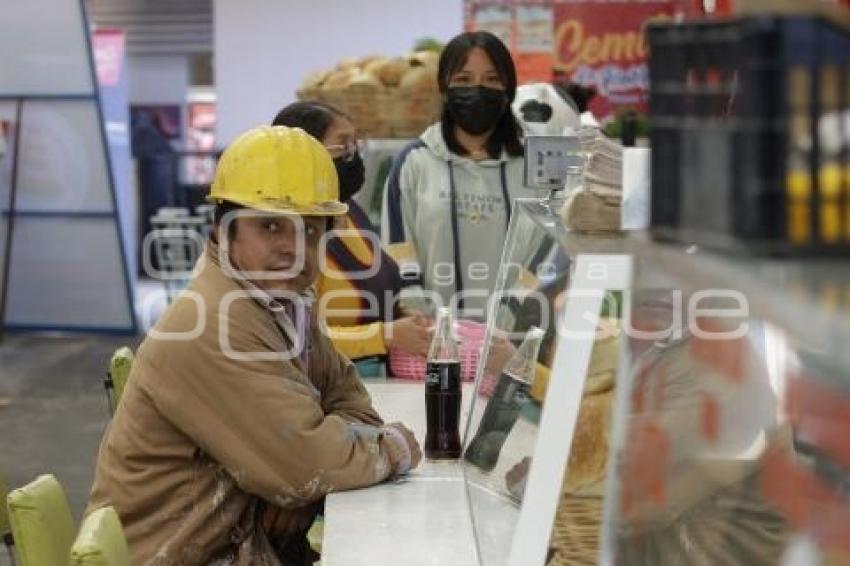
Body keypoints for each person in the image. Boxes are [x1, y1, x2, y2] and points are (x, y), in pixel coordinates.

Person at [87, 126, 422, 565]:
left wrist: (296, 479)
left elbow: (349, 406)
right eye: (270, 226)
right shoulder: (213, 321)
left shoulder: (284, 304)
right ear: (224, 229)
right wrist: (393, 446)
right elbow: (306, 464)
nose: (294, 248)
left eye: (310, 229)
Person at [381, 31, 549, 320]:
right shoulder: (415, 162)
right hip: (431, 342)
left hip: (512, 341)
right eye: (464, 80)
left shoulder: (538, 162)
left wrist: (512, 312)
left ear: (508, 90)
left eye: (491, 80)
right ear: (444, 88)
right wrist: (417, 313)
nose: (477, 90)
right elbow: (397, 246)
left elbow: (550, 247)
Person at [271, 102, 432, 364]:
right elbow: (291, 338)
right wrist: (385, 334)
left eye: (356, 144)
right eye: (343, 144)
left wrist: (401, 316)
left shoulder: (350, 212)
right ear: (305, 153)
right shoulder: (292, 236)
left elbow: (371, 292)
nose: (353, 154)